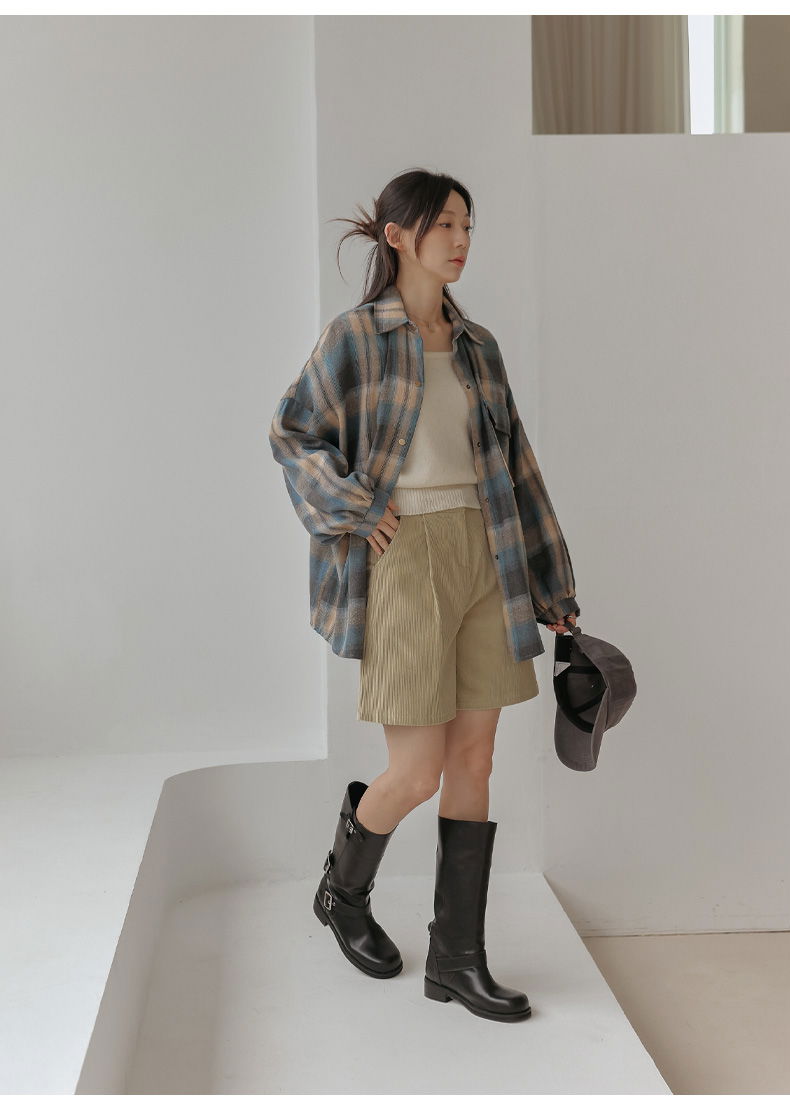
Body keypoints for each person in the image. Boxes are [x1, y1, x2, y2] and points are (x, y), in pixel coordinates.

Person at [269, 168, 579, 1023]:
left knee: (475, 762)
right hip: (404, 557)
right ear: (398, 235)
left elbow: (518, 467)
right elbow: (292, 432)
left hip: (489, 554)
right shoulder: (356, 338)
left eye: (468, 225)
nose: (461, 239)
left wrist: (551, 582)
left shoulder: (478, 347)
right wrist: (354, 507)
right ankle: (343, 892)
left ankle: (458, 960)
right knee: (415, 771)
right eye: (445, 224)